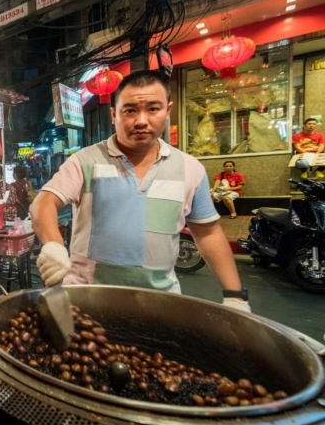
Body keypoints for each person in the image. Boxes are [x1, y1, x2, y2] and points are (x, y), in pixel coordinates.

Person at [30, 70, 250, 312]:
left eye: (153, 109)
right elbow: (43, 203)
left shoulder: (190, 169)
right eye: (130, 110)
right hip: (85, 300)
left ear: (168, 110)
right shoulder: (85, 161)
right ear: (114, 114)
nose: (141, 120)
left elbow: (207, 233)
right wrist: (53, 245)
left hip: (160, 304)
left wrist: (235, 295)